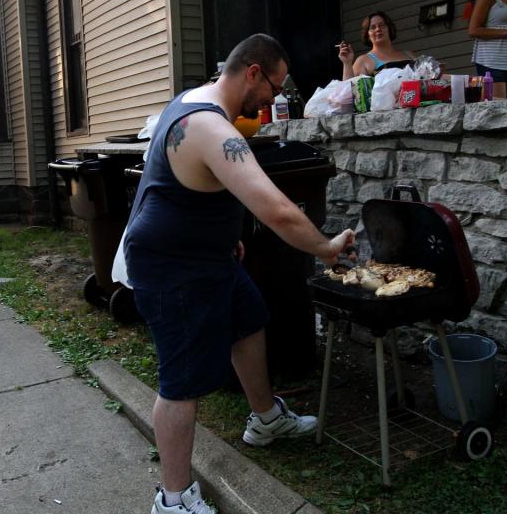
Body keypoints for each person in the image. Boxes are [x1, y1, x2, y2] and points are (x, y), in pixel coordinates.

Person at [124, 33, 355, 514]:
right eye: (274, 86)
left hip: (206, 252)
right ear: (252, 72)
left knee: (248, 319)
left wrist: (224, 232)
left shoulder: (193, 99)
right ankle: (173, 499)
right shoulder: (211, 127)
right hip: (172, 265)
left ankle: (266, 418)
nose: (274, 98)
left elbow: (183, 180)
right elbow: (280, 211)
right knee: (181, 382)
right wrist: (326, 248)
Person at [337, 11, 416, 79]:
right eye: (372, 27)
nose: (378, 29)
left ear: (389, 29)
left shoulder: (409, 54)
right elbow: (348, 91)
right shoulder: (363, 61)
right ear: (367, 35)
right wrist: (347, 63)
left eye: (382, 25)